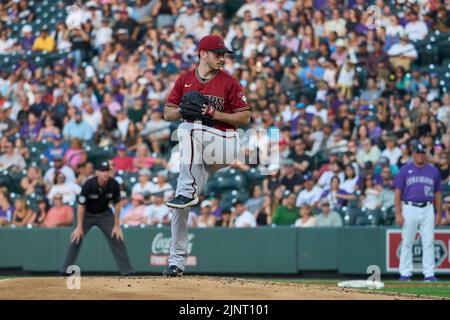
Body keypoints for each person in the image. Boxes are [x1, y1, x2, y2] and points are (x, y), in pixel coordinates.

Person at [162, 35, 250, 277]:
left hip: (224, 144)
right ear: (203, 54)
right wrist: (182, 109)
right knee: (179, 205)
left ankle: (187, 191)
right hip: (199, 151)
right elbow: (167, 113)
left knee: (185, 129)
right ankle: (176, 263)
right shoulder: (185, 80)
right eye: (218, 53)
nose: (222, 58)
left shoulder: (230, 82)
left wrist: (215, 112)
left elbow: (245, 118)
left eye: (224, 54)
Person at [60, 161, 134, 276]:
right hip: (87, 214)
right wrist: (79, 227)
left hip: (104, 214)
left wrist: (117, 226)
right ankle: (64, 271)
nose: (105, 173)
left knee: (117, 237)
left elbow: (117, 205)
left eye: (107, 171)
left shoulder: (113, 184)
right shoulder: (89, 184)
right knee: (76, 238)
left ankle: (128, 272)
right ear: (97, 172)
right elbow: (81, 206)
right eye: (102, 170)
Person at [394, 141, 442, 282]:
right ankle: (405, 272)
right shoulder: (404, 170)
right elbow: (397, 192)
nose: (420, 155)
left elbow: (438, 193)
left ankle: (429, 273)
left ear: (425, 154)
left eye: (422, 152)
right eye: (417, 152)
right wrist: (398, 213)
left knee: (428, 242)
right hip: (409, 207)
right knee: (407, 241)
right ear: (413, 153)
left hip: (428, 208)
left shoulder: (433, 170)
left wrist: (438, 213)